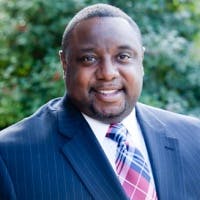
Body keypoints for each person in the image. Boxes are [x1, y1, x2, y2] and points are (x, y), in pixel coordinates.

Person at [0, 3, 199, 200]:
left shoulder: (194, 137)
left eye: (123, 56)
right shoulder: (10, 157)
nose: (108, 73)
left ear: (141, 60)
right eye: (89, 59)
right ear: (65, 63)